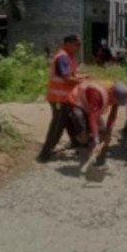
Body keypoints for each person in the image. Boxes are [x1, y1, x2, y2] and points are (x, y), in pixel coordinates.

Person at [36, 34, 87, 163]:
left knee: (69, 120)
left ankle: (75, 143)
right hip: (58, 98)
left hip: (65, 98)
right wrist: (83, 82)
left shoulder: (68, 57)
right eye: (77, 45)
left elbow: (71, 75)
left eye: (79, 45)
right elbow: (67, 79)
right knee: (57, 125)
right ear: (68, 44)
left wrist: (83, 76)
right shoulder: (63, 57)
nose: (78, 48)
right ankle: (44, 154)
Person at [69, 80, 127, 164]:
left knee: (102, 132)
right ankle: (84, 160)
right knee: (84, 132)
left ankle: (100, 163)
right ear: (111, 93)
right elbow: (92, 118)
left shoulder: (116, 95)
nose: (115, 103)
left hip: (91, 105)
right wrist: (96, 141)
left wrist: (108, 133)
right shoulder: (97, 94)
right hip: (78, 101)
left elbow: (112, 116)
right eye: (116, 100)